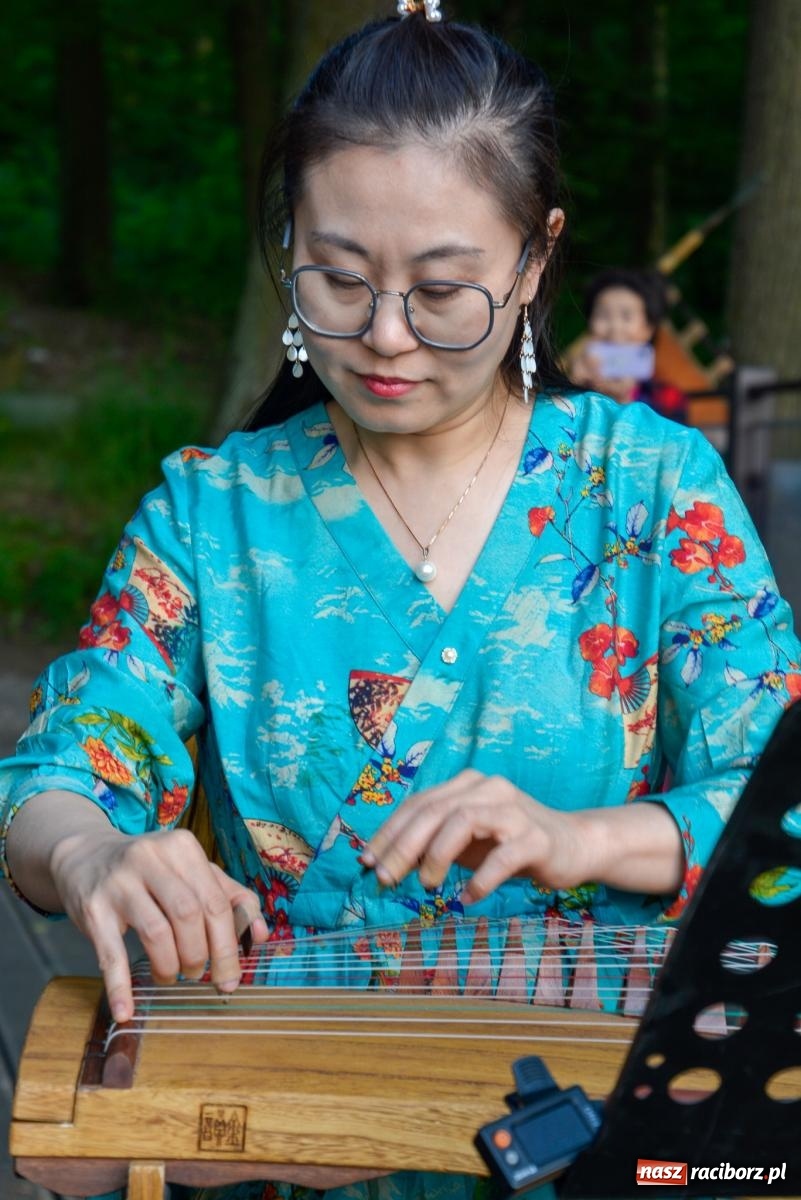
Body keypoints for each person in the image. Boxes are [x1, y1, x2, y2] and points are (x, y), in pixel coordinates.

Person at [2, 5, 800, 1200]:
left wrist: (581, 838)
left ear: (534, 260)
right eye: (336, 277)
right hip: (288, 1126)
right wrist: (99, 853)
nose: (383, 339)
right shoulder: (213, 519)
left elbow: (779, 798)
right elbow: (53, 781)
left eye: (442, 292)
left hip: (603, 1122)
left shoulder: (647, 489)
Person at [568, 266, 689, 421]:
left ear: (648, 328)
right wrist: (572, 389)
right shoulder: (572, 386)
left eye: (626, 317)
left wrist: (623, 399)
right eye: (603, 315)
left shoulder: (668, 399)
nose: (615, 328)